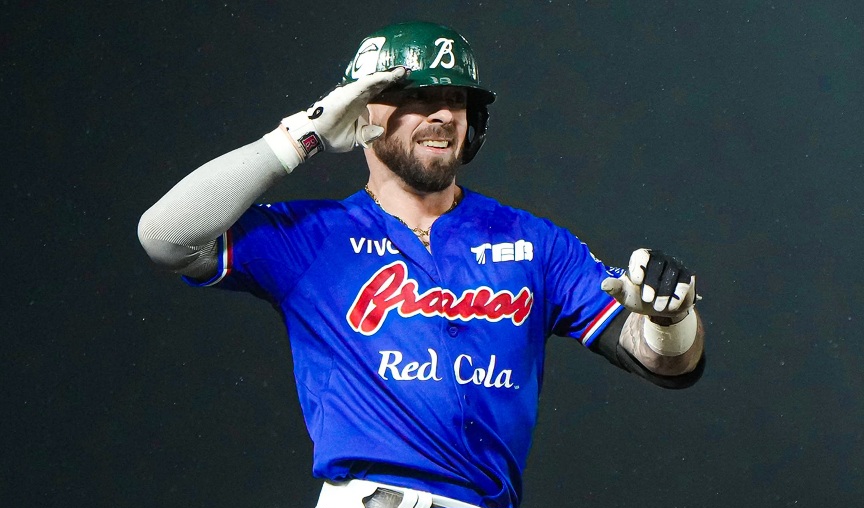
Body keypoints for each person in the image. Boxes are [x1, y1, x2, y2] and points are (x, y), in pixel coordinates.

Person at [138, 21, 705, 508]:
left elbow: (665, 363)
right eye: (416, 97)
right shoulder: (311, 237)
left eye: (457, 99)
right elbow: (165, 236)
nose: (442, 114)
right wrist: (298, 137)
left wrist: (668, 315)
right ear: (360, 109)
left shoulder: (533, 242)